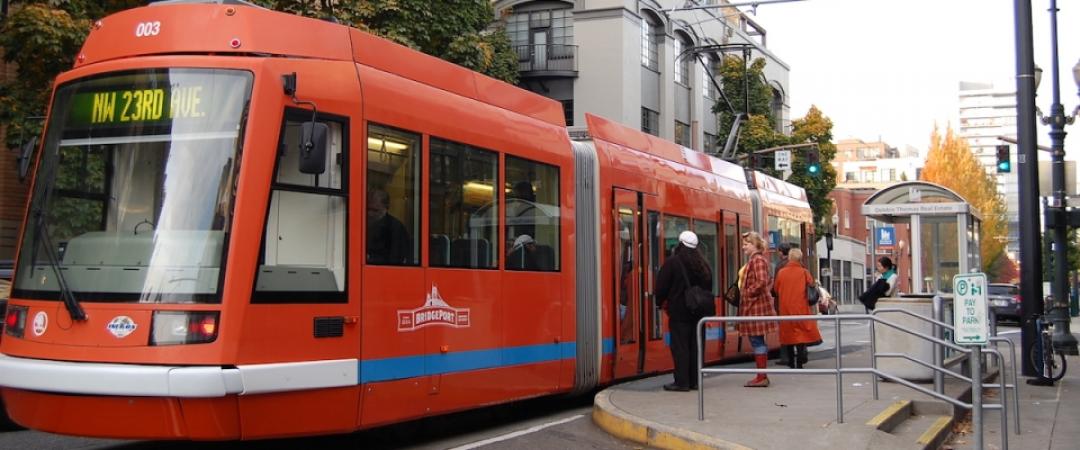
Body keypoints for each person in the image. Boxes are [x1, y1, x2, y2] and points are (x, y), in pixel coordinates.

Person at [654, 230, 713, 392]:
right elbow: (709, 287)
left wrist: (660, 302)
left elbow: (661, 287)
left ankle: (682, 382)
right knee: (696, 346)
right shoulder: (703, 264)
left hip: (679, 312)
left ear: (680, 244)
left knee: (681, 347)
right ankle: (695, 380)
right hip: (698, 312)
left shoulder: (673, 262)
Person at [738, 231, 778, 387]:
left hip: (756, 306)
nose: (743, 247)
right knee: (757, 340)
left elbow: (762, 281)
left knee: (757, 341)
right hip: (757, 305)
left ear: (754, 245)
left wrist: (747, 293)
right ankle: (761, 376)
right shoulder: (758, 260)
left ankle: (761, 376)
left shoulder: (757, 260)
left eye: (746, 244)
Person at [773, 248, 822, 369]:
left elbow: (775, 289)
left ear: (789, 258)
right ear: (800, 259)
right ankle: (800, 360)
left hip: (785, 308)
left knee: (788, 335)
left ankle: (791, 362)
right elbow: (811, 285)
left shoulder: (781, 272)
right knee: (801, 334)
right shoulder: (804, 272)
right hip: (801, 307)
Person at [366, 189, 411, 265]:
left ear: (386, 208)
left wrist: (370, 258)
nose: (370, 214)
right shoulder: (362, 222)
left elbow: (396, 259)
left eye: (375, 210)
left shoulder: (395, 228)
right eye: (368, 209)